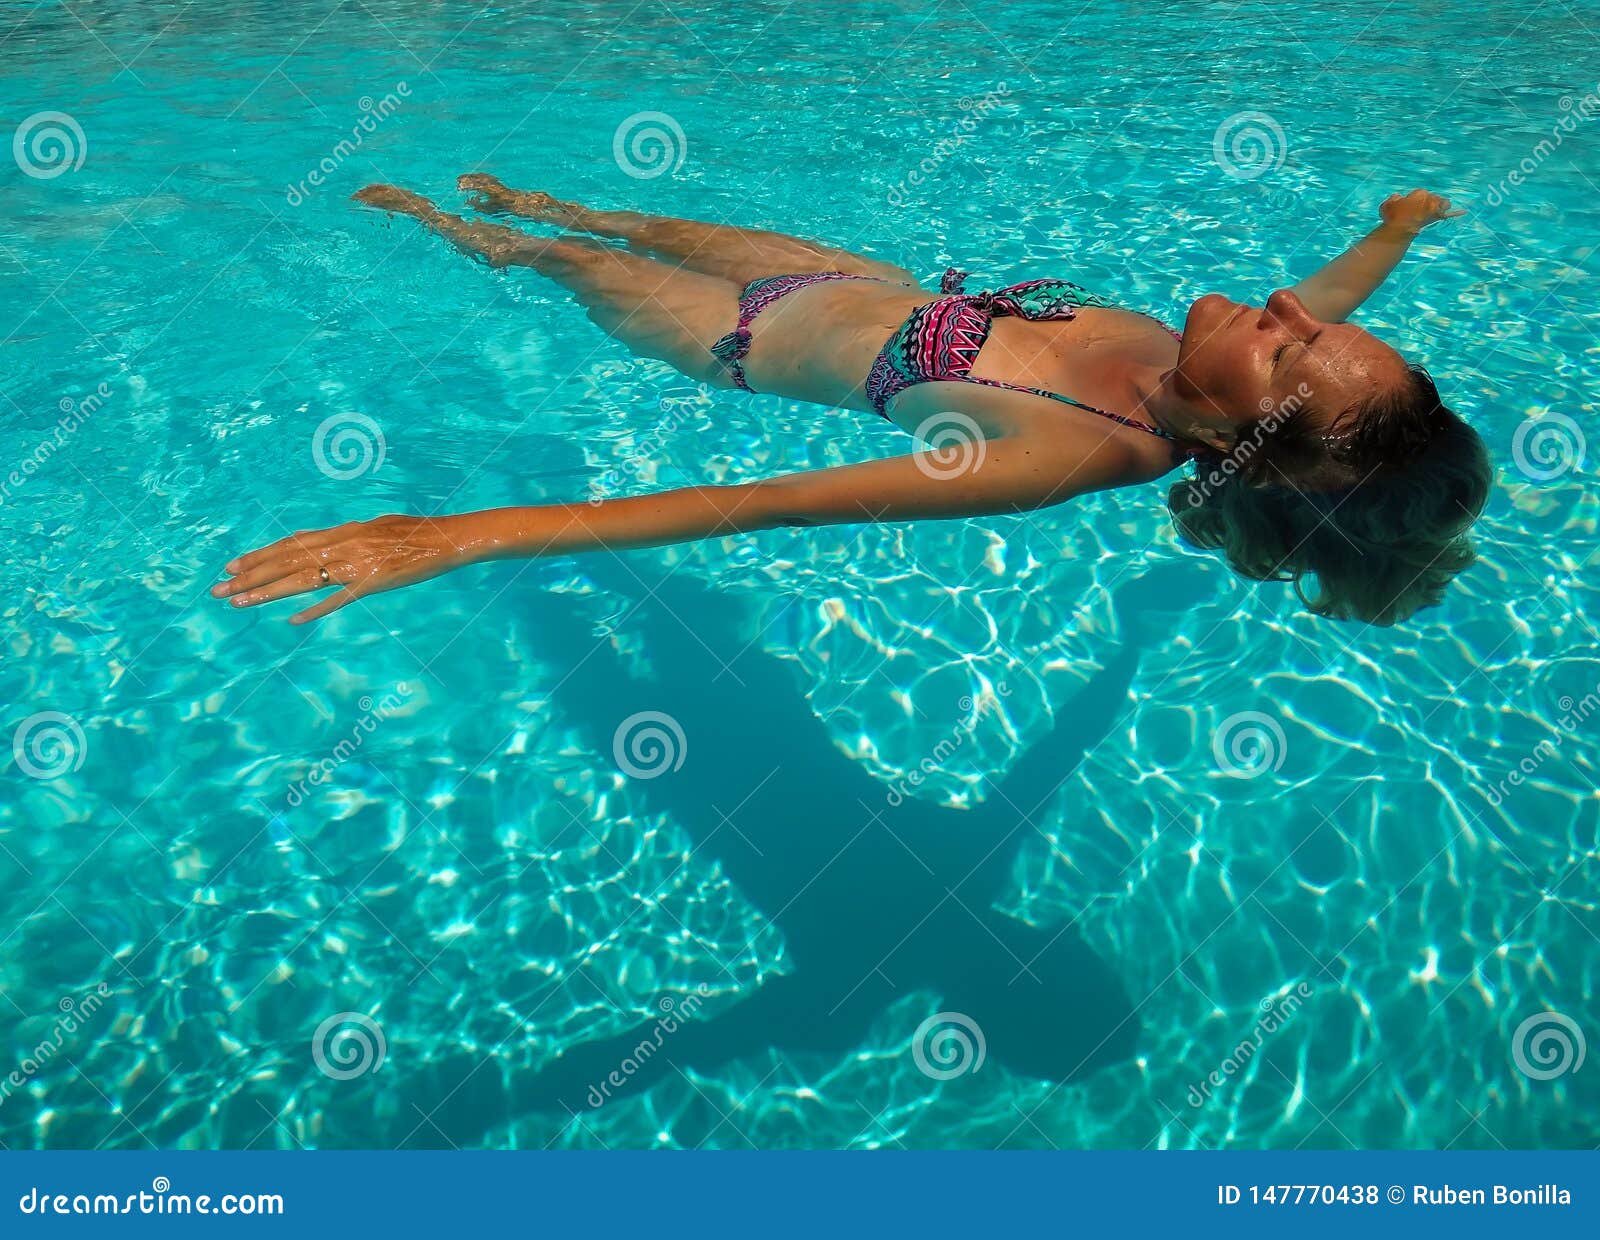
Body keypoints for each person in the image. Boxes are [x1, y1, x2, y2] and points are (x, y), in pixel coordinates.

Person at [213, 180, 1490, 626]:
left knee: (559, 261)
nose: (1288, 305)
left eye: (1287, 348)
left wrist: (456, 536)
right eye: (1318, 326)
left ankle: (457, 230)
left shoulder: (1057, 454)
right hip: (851, 277)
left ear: (1235, 433)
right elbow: (1324, 288)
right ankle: (528, 206)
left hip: (738, 335)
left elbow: (751, 506)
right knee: (610, 215)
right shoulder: (1212, 359)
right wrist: (1389, 235)